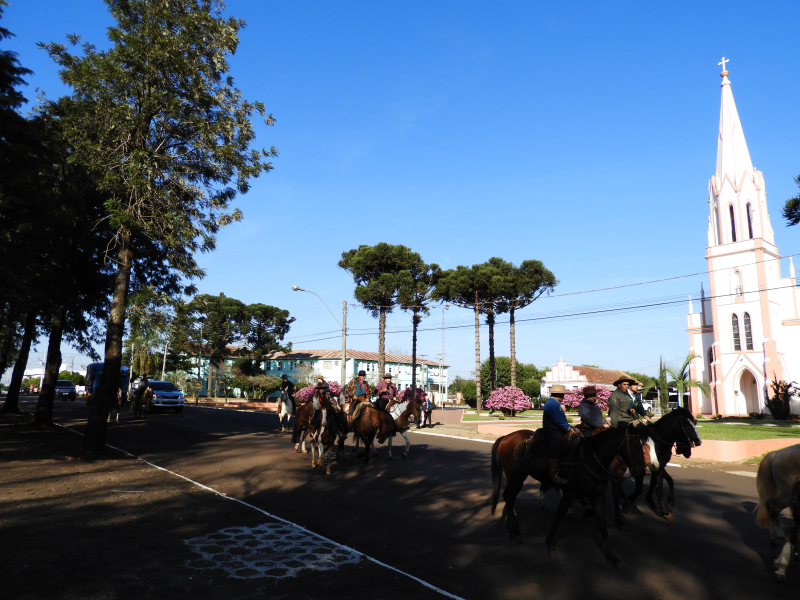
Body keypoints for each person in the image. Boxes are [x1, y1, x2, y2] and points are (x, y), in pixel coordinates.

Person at [542, 384, 574, 485]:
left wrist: (571, 428)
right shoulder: (552, 403)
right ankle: (554, 475)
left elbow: (562, 421)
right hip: (552, 430)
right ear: (560, 395)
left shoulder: (555, 403)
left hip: (558, 428)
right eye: (563, 394)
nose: (564, 396)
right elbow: (558, 420)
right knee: (557, 445)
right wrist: (568, 428)